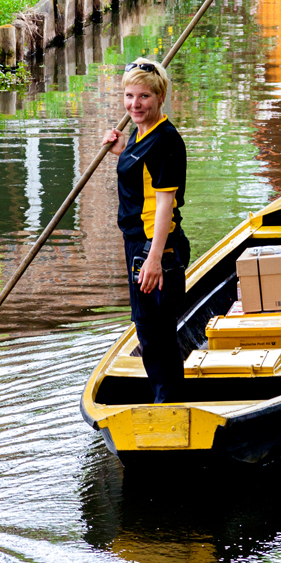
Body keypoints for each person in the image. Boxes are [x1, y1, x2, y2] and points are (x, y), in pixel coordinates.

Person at [102, 58, 190, 403]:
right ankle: (166, 399)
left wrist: (154, 258)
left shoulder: (166, 140)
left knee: (155, 332)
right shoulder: (143, 134)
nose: (134, 105)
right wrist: (123, 151)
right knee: (148, 328)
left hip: (155, 247)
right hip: (138, 244)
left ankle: (169, 404)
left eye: (143, 98)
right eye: (129, 96)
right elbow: (142, 175)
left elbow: (165, 205)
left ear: (160, 98)